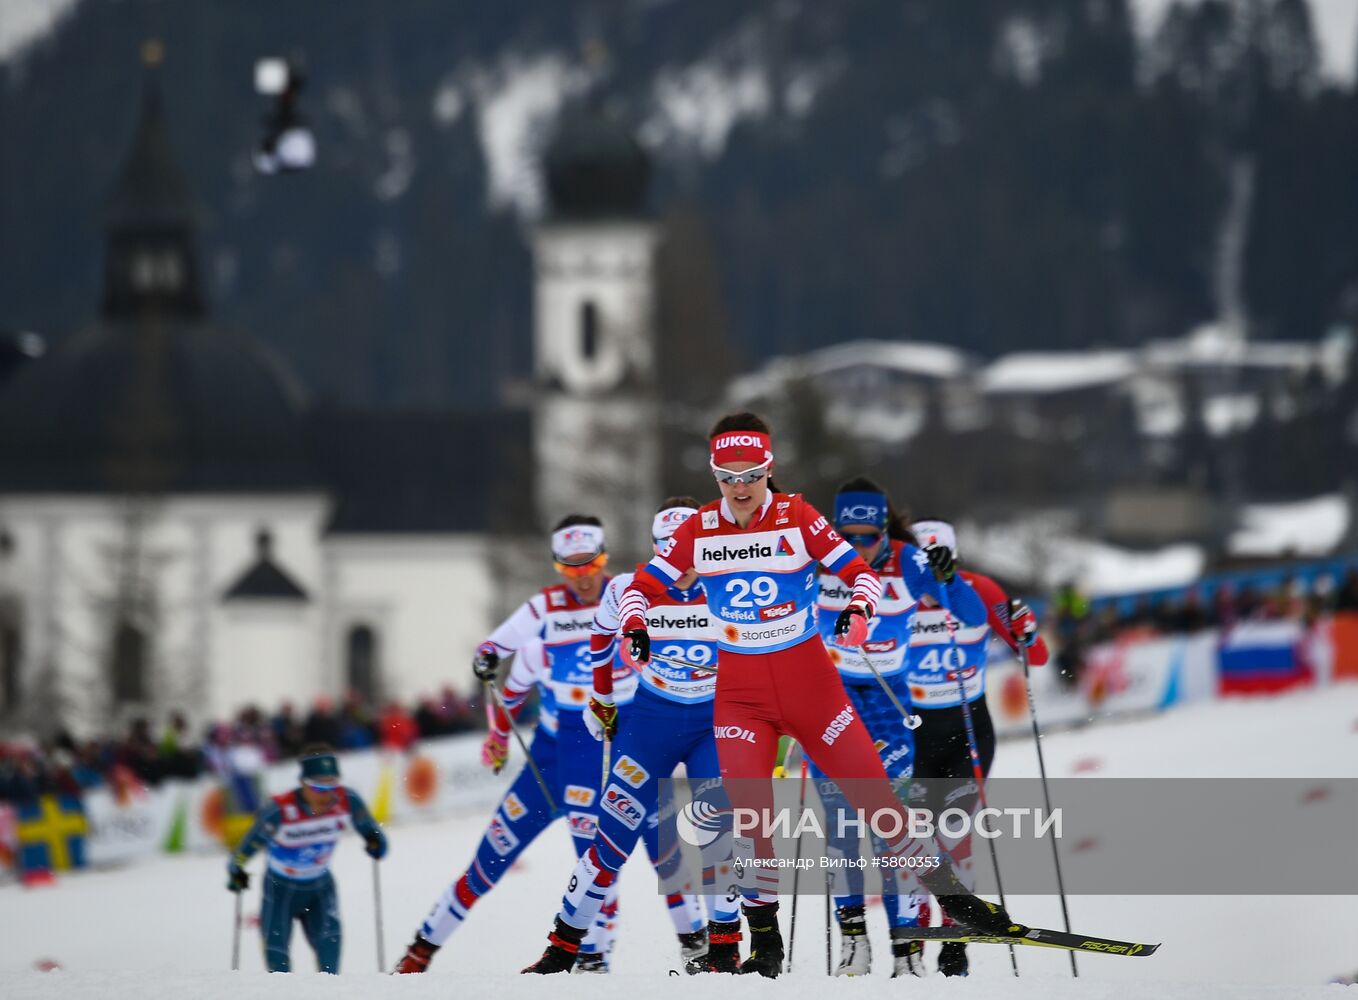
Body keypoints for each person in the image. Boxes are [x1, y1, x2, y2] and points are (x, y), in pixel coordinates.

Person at [522, 413, 1023, 979]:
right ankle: (764, 942)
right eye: (727, 475)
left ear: (768, 470)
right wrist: (634, 625)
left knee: (878, 803)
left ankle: (956, 906)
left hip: (811, 686)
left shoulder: (797, 516)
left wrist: (859, 611)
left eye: (751, 473)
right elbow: (641, 586)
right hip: (740, 696)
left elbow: (859, 573)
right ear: (715, 474)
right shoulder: (700, 528)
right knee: (752, 821)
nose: (739, 487)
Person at [396, 516, 702, 974]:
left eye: (591, 564)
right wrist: (498, 730)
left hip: (611, 745)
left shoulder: (631, 597)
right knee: (489, 861)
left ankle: (630, 955)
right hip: (553, 754)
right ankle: (419, 952)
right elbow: (502, 665)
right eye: (570, 567)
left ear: (605, 559)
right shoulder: (546, 610)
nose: (582, 577)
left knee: (647, 855)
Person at [523, 498, 739, 975]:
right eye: (668, 552)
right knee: (613, 836)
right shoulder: (627, 588)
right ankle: (563, 947)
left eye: (688, 552)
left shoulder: (729, 584)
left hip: (711, 723)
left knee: (720, 833)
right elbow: (600, 638)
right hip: (650, 723)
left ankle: (724, 949)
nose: (679, 566)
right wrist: (601, 698)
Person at [814, 478, 986, 978]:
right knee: (841, 828)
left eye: (868, 538)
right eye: (849, 538)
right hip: (830, 703)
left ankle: (907, 948)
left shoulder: (910, 563)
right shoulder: (821, 560)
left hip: (888, 704)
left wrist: (949, 580)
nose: (858, 549)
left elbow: (972, 617)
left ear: (886, 531)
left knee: (893, 830)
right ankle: (853, 942)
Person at [905, 517, 1049, 978]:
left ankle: (955, 945)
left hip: (967, 729)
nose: (928, 577)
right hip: (911, 732)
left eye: (938, 565)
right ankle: (911, 943)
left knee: (954, 837)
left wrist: (1025, 629)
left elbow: (1037, 653)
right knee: (911, 843)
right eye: (919, 565)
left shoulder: (980, 590)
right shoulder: (893, 589)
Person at [226, 744, 387, 973]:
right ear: (303, 783)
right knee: (279, 969)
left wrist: (375, 842)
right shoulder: (279, 811)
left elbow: (374, 833)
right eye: (319, 787)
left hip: (320, 890)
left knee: (330, 970)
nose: (327, 794)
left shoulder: (347, 800)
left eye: (332, 785)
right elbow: (243, 852)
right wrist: (236, 871)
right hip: (280, 891)